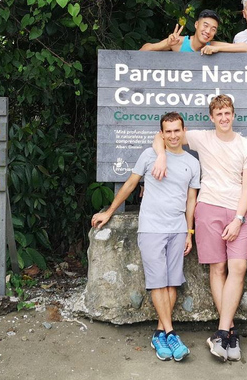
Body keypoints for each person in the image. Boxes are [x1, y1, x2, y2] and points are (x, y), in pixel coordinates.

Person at [151, 95, 247, 363]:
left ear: (234, 115)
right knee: (218, 269)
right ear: (212, 117)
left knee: (239, 268)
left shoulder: (246, 146)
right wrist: (161, 156)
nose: (223, 118)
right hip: (208, 208)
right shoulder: (200, 137)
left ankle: (221, 331)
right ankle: (228, 332)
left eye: (227, 113)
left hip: (238, 213)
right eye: (218, 114)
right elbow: (160, 135)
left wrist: (239, 218)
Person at [91, 112, 199, 362]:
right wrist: (109, 211)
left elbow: (191, 200)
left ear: (183, 131)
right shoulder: (150, 155)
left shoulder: (192, 163)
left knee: (172, 284)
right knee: (158, 283)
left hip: (178, 228)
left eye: (176, 130)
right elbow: (130, 184)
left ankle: (159, 335)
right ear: (162, 133)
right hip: (151, 227)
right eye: (168, 131)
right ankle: (171, 333)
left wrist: (189, 231)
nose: (172, 135)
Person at [140, 10, 246, 53]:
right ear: (196, 25)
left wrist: (217, 48)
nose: (208, 31)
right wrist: (166, 44)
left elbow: (246, 48)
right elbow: (144, 50)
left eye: (213, 29)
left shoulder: (212, 45)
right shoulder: (179, 43)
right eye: (205, 26)